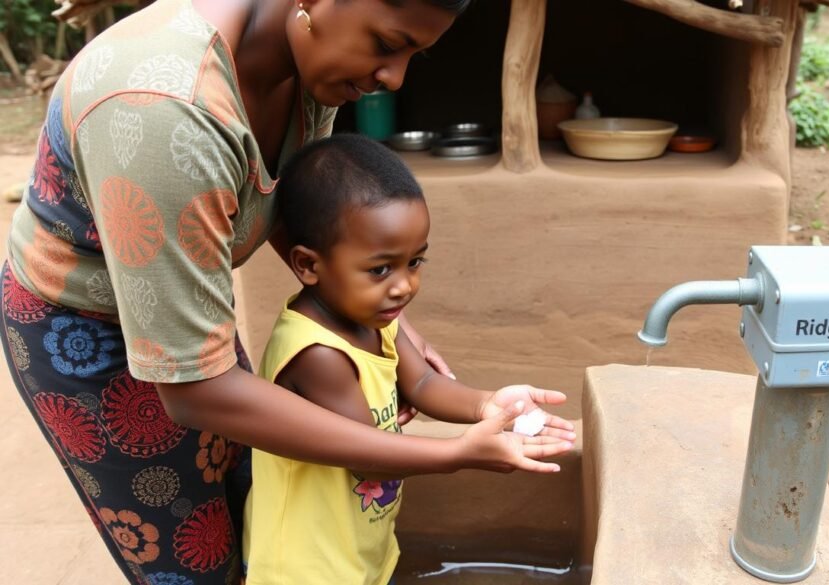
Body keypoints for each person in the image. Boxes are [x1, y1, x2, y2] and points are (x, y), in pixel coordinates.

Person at [0, 1, 575, 583]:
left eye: (413, 55)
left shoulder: (305, 65)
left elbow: (305, 216)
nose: (394, 80)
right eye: (384, 43)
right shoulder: (167, 113)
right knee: (193, 560)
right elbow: (197, 389)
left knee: (251, 503)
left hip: (184, 309)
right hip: (86, 331)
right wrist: (452, 454)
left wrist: (384, 321)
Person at [242, 133, 572, 585]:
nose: (403, 286)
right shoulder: (317, 353)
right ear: (308, 265)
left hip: (355, 547)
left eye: (415, 262)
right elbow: (369, 460)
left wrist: (489, 404)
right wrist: (460, 453)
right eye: (380, 269)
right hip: (307, 566)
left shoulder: (373, 318)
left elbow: (422, 386)